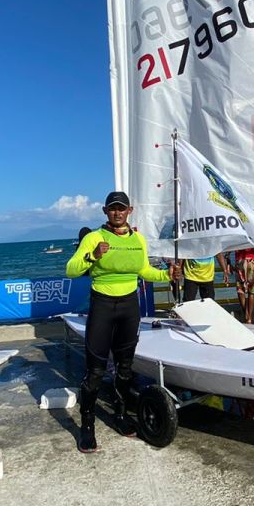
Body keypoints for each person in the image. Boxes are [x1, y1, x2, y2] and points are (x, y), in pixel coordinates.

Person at [65, 191, 180, 453]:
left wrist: (166, 274)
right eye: (112, 209)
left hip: (129, 306)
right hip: (103, 305)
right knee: (95, 371)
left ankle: (119, 415)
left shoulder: (138, 239)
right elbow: (71, 269)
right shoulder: (95, 237)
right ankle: (87, 426)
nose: (117, 213)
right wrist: (91, 256)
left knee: (125, 368)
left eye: (122, 208)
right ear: (105, 211)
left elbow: (143, 271)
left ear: (130, 210)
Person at [232, 247, 254, 322]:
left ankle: (246, 314)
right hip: (252, 261)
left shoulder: (238, 235)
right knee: (251, 292)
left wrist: (228, 261)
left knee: (241, 290)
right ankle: (249, 318)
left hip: (240, 260)